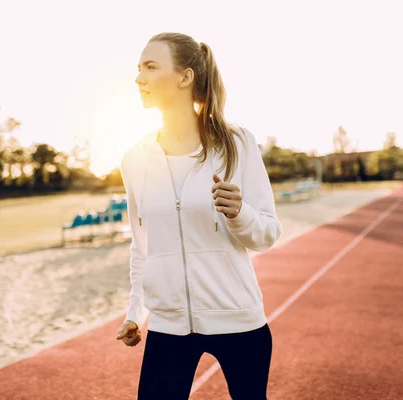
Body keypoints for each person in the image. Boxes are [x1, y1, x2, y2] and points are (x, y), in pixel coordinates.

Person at [114, 32, 283, 399]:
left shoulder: (236, 144)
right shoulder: (134, 159)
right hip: (168, 324)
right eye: (138, 69)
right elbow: (142, 245)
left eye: (150, 67)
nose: (139, 78)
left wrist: (240, 214)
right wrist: (135, 310)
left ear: (185, 77)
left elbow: (268, 233)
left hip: (238, 319)